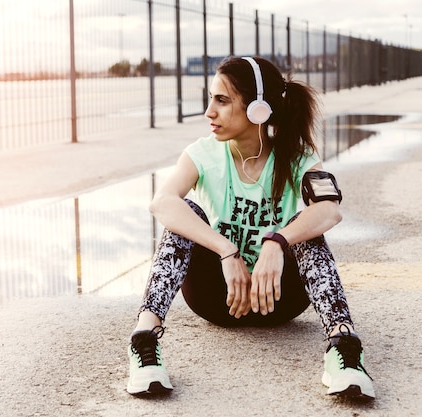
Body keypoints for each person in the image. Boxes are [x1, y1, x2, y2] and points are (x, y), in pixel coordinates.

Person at [126, 56, 375, 399]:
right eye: (211, 99)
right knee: (184, 213)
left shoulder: (297, 156)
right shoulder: (203, 154)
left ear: (258, 109)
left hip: (280, 299)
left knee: (304, 225)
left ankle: (344, 349)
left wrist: (276, 241)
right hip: (218, 297)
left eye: (222, 101)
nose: (209, 112)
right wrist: (227, 251)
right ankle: (144, 341)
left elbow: (330, 210)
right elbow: (162, 202)